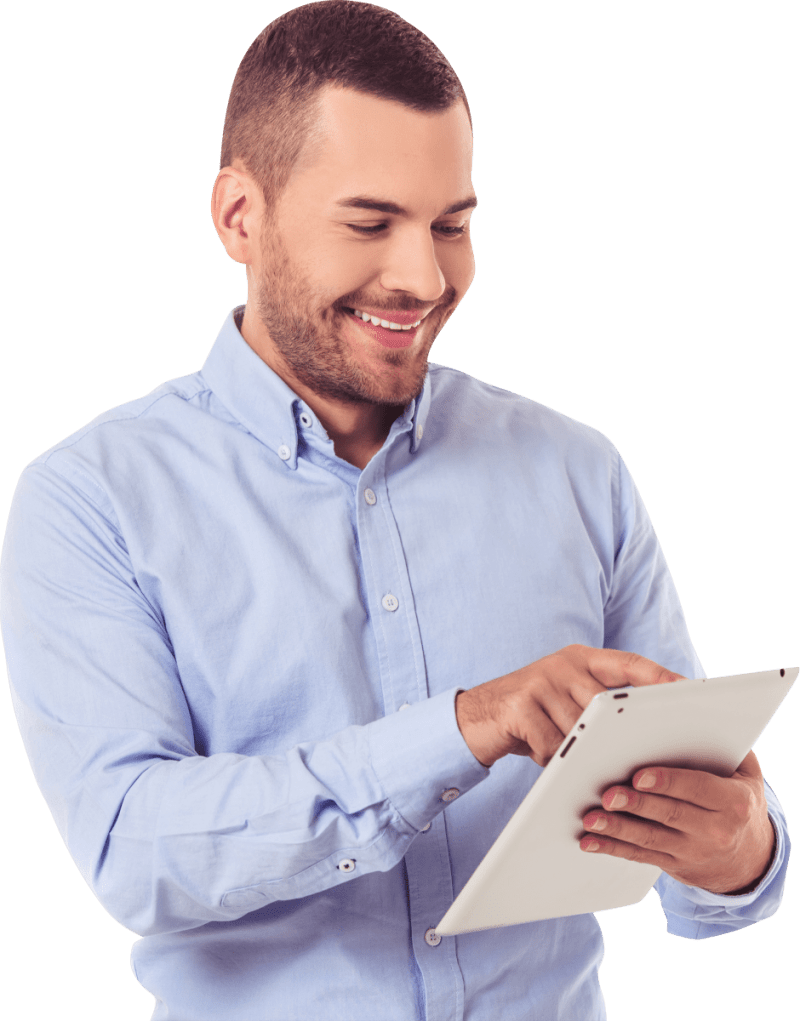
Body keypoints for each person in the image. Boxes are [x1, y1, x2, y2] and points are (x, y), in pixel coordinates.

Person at [1, 2, 789, 1019]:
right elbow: (134, 851)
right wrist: (463, 728)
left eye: (451, 225)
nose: (423, 277)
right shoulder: (90, 498)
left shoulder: (576, 469)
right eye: (369, 223)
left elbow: (706, 831)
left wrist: (737, 847)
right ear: (240, 217)